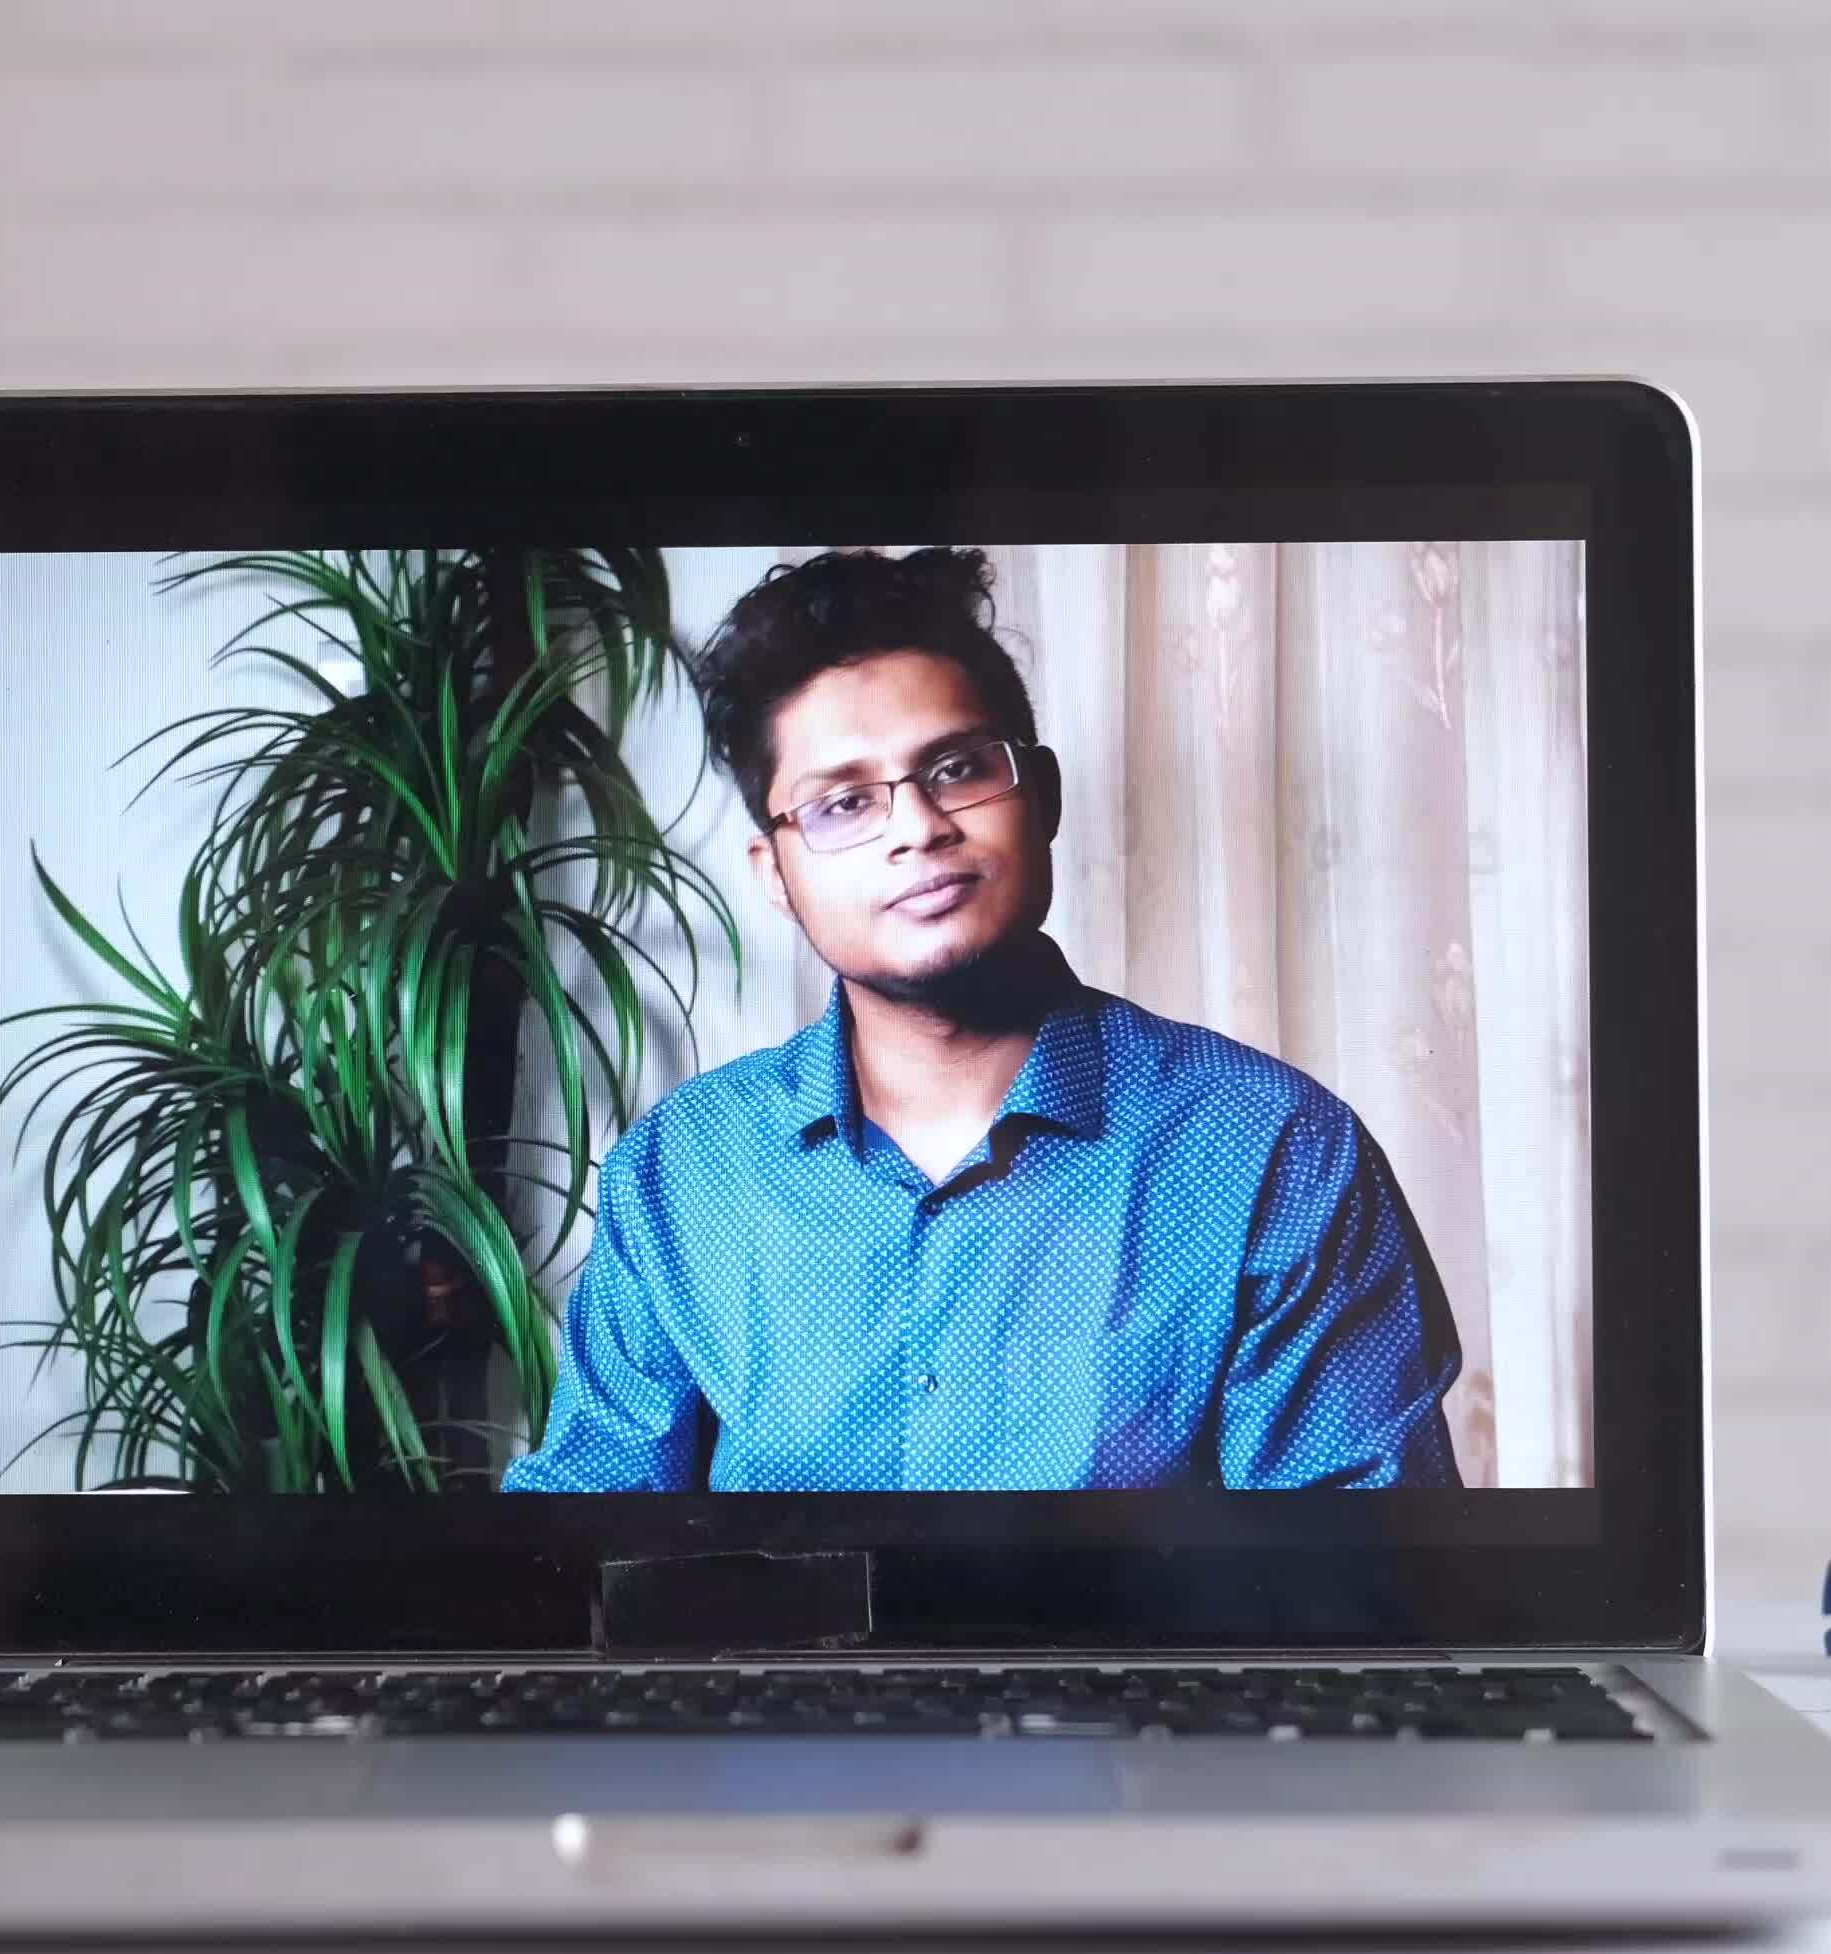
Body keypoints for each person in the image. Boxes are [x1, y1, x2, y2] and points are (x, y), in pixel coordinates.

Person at [500, 547, 1462, 1493]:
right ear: (776, 875)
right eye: (842, 803)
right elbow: (588, 1549)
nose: (918, 827)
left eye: (957, 769)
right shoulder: (684, 1172)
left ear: (1038, 797)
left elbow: (1359, 1585)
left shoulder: (1273, 1150)